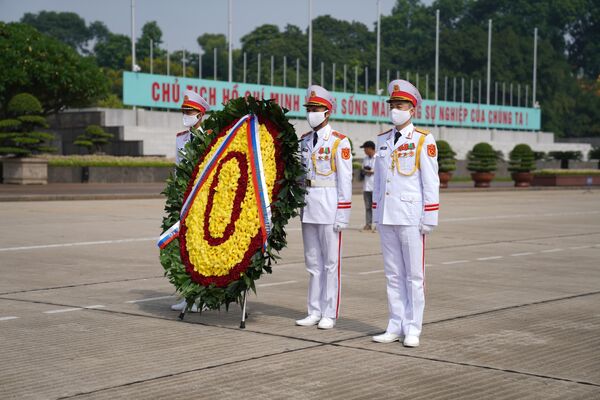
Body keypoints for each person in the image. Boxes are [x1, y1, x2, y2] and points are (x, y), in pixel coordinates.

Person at [371, 80, 440, 347]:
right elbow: (379, 182)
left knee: (414, 275)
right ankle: (394, 324)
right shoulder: (383, 139)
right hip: (388, 215)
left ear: (412, 109)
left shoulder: (423, 140)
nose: (395, 110)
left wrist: (430, 215)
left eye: (400, 105)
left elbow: (430, 181)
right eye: (392, 105)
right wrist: (376, 213)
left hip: (411, 215)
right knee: (392, 274)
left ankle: (413, 327)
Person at [295, 85, 353, 330]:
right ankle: (314, 310)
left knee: (330, 263)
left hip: (330, 205)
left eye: (316, 109)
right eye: (309, 109)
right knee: (312, 262)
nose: (311, 113)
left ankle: (329, 312)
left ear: (327, 112)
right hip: (309, 204)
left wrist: (343, 213)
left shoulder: (340, 142)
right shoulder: (304, 141)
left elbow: (346, 180)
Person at [171, 89, 211, 312]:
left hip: (203, 201)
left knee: (201, 250)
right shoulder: (181, 138)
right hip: (184, 200)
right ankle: (187, 295)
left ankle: (203, 298)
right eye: (185, 111)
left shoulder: (211, 137)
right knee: (184, 249)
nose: (186, 114)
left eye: (191, 111)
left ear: (201, 114)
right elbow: (178, 169)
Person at [359, 140, 376, 232]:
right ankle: (368, 224)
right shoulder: (365, 159)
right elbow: (363, 169)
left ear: (370, 148)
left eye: (365, 149)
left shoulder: (378, 158)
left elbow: (378, 171)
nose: (364, 151)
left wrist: (370, 171)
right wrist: (365, 171)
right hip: (367, 187)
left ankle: (377, 225)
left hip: (375, 187)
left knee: (376, 207)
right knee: (368, 207)